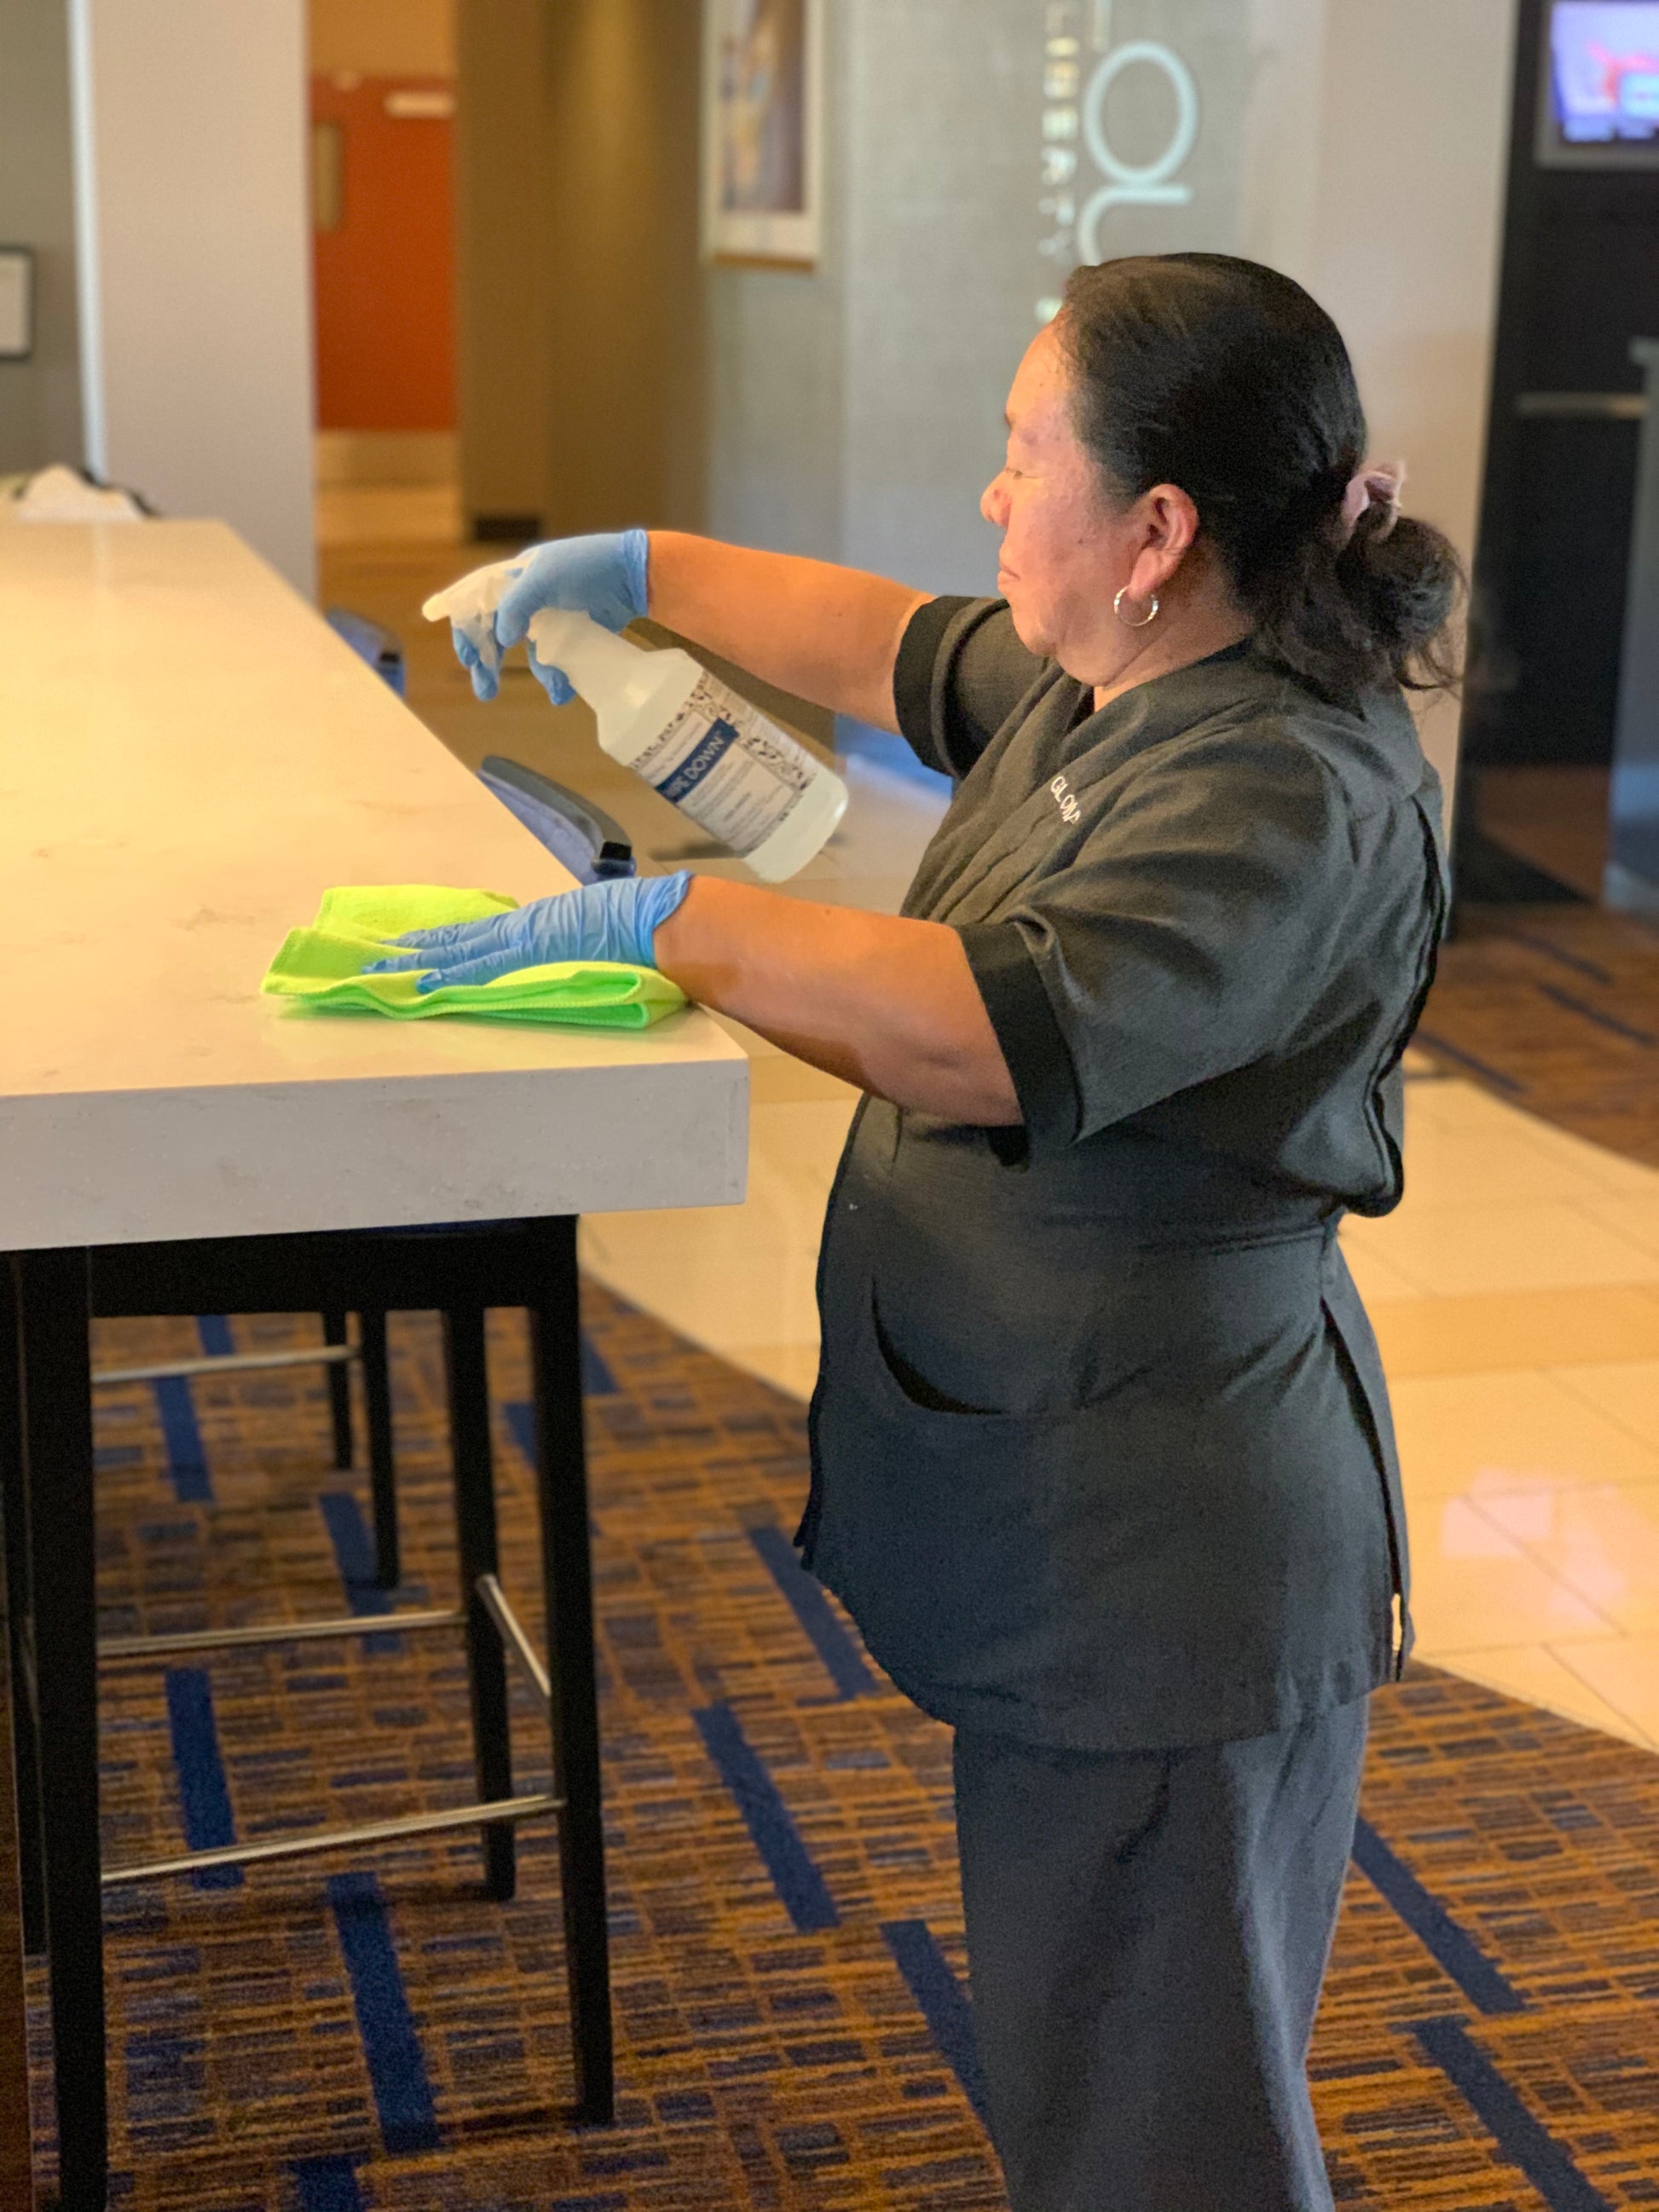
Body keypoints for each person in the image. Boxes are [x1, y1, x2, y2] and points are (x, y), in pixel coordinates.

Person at [387, 253, 1460, 2212]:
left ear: (1155, 528)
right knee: (1094, 2065)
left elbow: (980, 1035)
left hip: (1173, 1557)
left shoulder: (1277, 786)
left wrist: (668, 924)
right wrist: (628, 565)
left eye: (1017, 448)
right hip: (1080, 1490)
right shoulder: (1118, 676)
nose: (989, 491)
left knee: (1164, 2119)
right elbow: (890, 639)